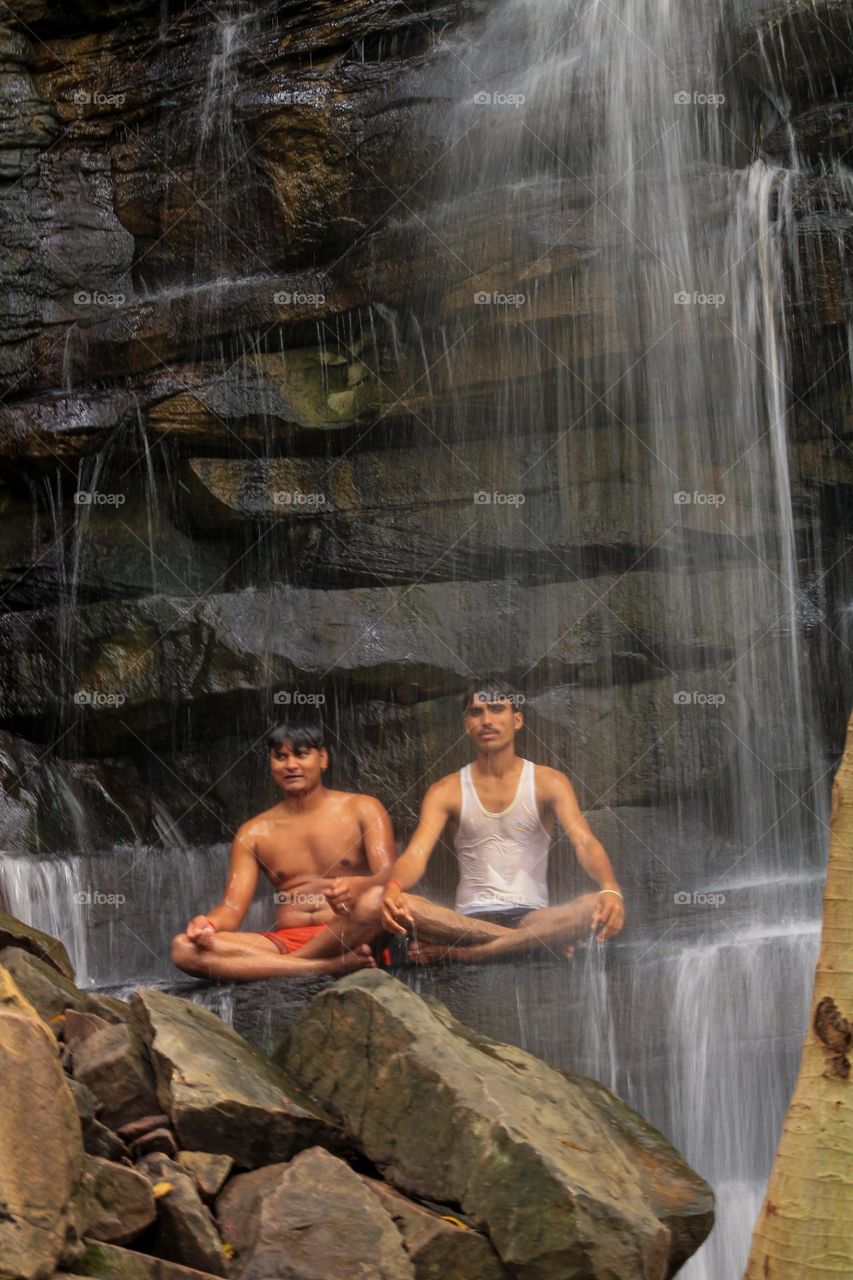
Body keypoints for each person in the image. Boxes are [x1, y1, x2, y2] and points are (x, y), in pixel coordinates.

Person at [378, 681, 625, 963]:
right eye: (477, 712)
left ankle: (466, 955)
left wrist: (610, 886)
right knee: (406, 905)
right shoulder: (445, 790)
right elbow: (416, 854)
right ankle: (533, 944)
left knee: (592, 905)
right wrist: (394, 887)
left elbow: (584, 842)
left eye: (497, 709)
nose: (487, 720)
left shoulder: (549, 782)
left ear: (517, 720)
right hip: (464, 922)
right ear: (465, 724)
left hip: (534, 918)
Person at [171, 719, 393, 981]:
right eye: (280, 757)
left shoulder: (363, 809)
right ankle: (324, 967)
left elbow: (392, 878)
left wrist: (358, 886)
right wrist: (208, 924)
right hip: (284, 940)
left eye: (300, 754)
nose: (290, 765)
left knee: (376, 900)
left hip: (348, 932)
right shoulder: (253, 832)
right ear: (271, 764)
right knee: (183, 948)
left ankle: (282, 966)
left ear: (322, 758)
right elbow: (231, 909)